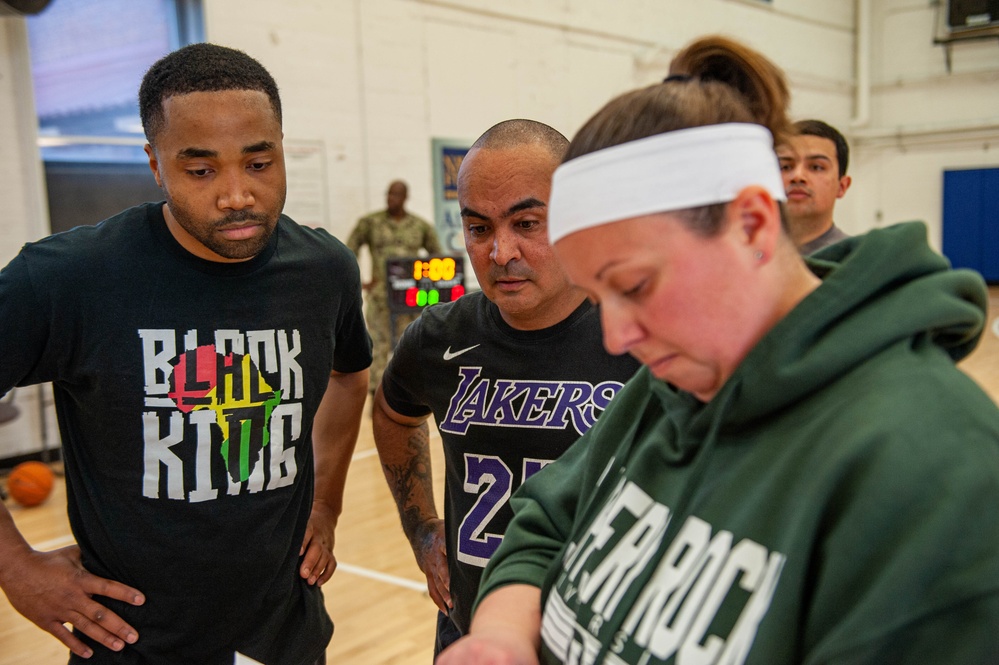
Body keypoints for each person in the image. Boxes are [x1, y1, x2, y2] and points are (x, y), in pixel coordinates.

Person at [439, 36, 999, 665]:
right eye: (600, 295)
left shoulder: (937, 472)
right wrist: (504, 636)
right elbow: (542, 522)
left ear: (754, 225)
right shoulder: (676, 377)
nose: (618, 336)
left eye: (635, 286)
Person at [0, 43, 372, 665]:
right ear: (155, 164)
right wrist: (15, 567)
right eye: (201, 171)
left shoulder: (323, 269)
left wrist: (327, 501)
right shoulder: (69, 279)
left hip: (286, 636)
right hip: (131, 646)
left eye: (260, 162)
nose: (237, 195)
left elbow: (350, 376)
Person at [372, 119, 641, 657]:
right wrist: (423, 528)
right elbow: (394, 414)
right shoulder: (439, 338)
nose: (500, 252)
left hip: (598, 639)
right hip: (474, 633)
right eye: (478, 229)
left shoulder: (642, 335)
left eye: (527, 223)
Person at [347, 180, 442, 395]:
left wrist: (426, 285)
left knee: (408, 344)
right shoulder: (371, 223)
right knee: (377, 345)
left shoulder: (420, 226)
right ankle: (374, 394)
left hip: (409, 298)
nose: (392, 199)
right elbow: (348, 250)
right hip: (381, 296)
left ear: (405, 197)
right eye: (389, 194)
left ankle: (406, 394)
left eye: (396, 195)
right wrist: (359, 281)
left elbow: (438, 258)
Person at [776, 119, 853, 254]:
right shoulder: (744, 257)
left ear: (842, 186)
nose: (798, 176)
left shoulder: (854, 261)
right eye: (786, 167)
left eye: (816, 167)